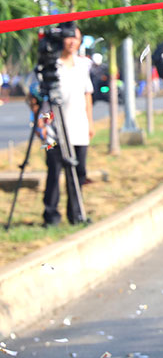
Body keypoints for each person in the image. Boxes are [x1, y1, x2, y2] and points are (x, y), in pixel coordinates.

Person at [40, 23, 94, 226]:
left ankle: (76, 214)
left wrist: (90, 122)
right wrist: (43, 124)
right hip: (53, 133)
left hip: (79, 128)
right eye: (69, 37)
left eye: (76, 37)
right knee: (53, 172)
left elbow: (87, 95)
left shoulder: (83, 65)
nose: (72, 41)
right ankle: (50, 216)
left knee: (79, 173)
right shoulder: (51, 66)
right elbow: (42, 99)